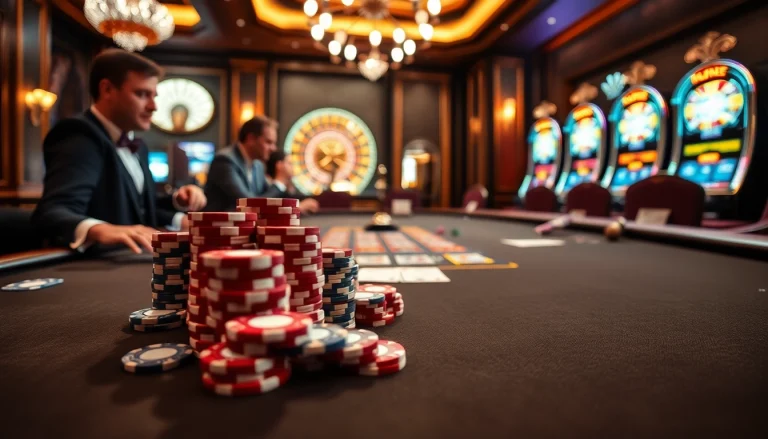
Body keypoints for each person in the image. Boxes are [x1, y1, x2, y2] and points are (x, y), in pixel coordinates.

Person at [32, 49, 207, 254]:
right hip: (93, 268)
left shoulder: (138, 146)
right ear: (107, 89)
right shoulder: (79, 134)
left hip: (135, 260)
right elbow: (51, 213)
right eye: (142, 94)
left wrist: (179, 205)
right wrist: (99, 229)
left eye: (154, 96)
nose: (153, 106)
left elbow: (139, 213)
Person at [204, 117, 318, 213]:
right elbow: (249, 205)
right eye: (269, 142)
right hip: (218, 233)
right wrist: (279, 182)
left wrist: (295, 203)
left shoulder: (257, 165)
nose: (273, 148)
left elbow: (267, 197)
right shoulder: (225, 161)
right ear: (251, 139)